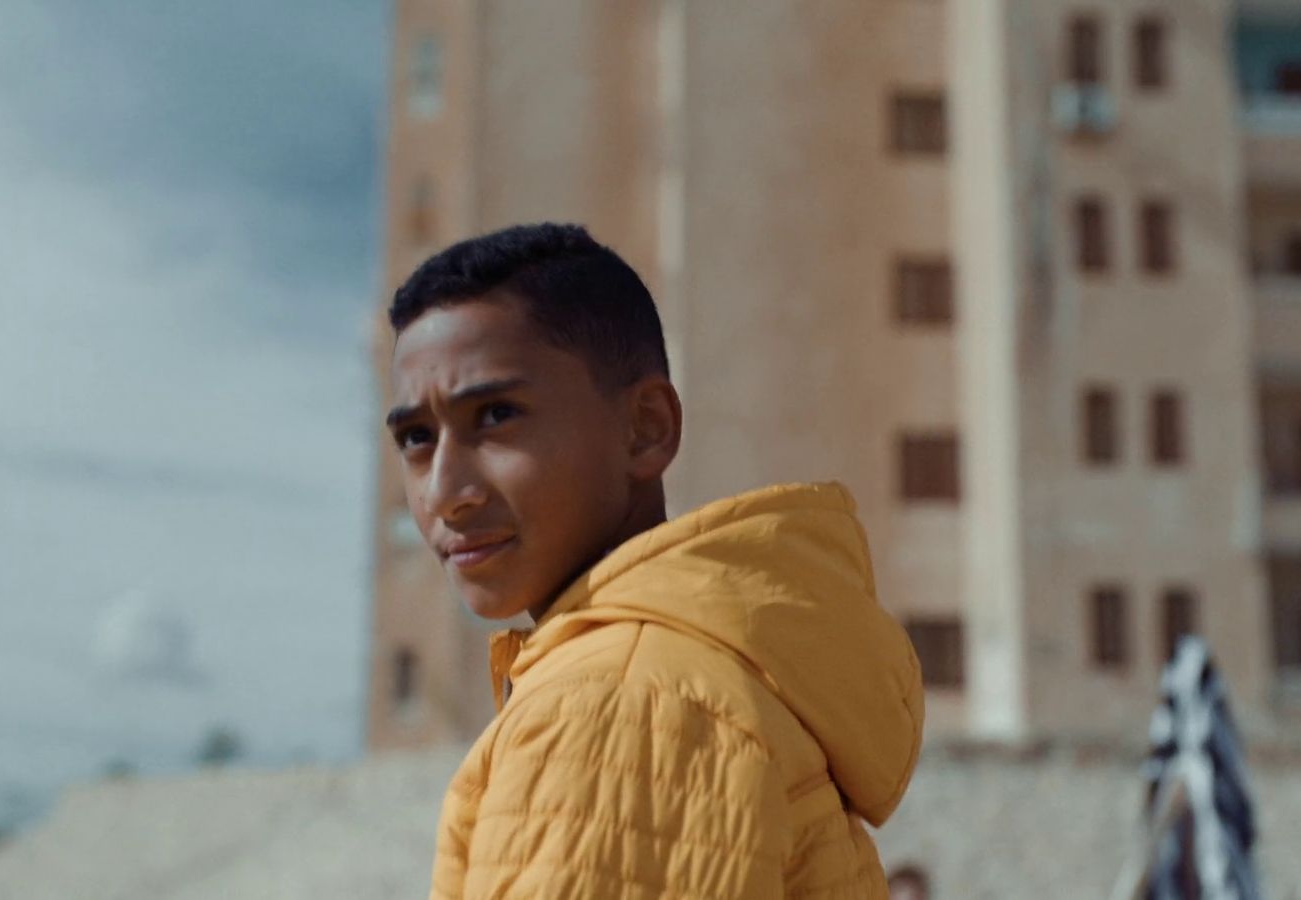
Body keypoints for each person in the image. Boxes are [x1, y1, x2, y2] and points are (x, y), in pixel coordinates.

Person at [386, 223, 924, 898]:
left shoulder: (619, 698)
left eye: (496, 416)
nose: (444, 493)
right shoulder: (685, 671)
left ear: (646, 428)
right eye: (415, 438)